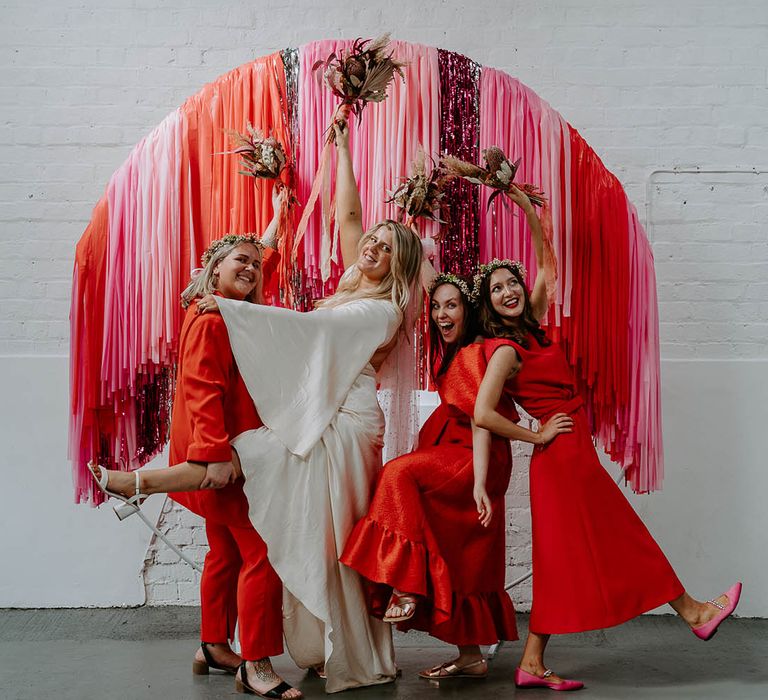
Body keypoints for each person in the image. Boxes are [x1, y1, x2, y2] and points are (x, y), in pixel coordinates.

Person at [91, 113, 424, 693]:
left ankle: (143, 484)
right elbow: (346, 216)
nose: (370, 245)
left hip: (345, 419)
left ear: (401, 266)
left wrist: (236, 308)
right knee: (267, 533)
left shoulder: (383, 309)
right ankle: (231, 645)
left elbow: (311, 337)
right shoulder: (350, 281)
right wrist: (340, 151)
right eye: (370, 239)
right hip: (317, 409)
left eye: (385, 246)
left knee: (281, 499)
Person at [472, 185, 742, 692]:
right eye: (497, 290)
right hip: (560, 458)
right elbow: (483, 412)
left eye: (512, 282)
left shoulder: (534, 329)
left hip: (573, 453)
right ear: (488, 305)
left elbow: (548, 266)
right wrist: (536, 432)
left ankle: (532, 662)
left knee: (563, 560)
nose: (508, 292)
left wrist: (528, 209)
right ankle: (694, 611)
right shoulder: (506, 349)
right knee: (623, 536)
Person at [91, 203, 304, 699]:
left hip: (218, 451)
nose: (251, 268)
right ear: (214, 270)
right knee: (262, 556)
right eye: (239, 262)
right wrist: (214, 455)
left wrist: (272, 220)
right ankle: (257, 665)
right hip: (223, 457)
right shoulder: (212, 321)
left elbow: (260, 260)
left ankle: (211, 643)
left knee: (225, 553)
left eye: (255, 263)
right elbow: (201, 388)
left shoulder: (226, 310)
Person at [341, 272, 519, 681]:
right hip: (456, 449)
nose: (441, 313)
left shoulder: (476, 351)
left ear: (469, 310)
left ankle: (405, 584)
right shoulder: (455, 350)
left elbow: (480, 418)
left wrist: (478, 482)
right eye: (436, 306)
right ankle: (470, 654)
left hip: (474, 453)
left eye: (451, 305)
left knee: (397, 473)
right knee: (460, 552)